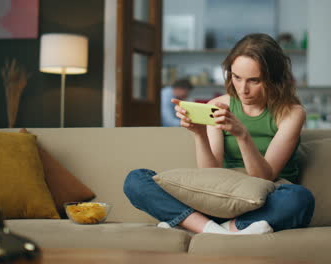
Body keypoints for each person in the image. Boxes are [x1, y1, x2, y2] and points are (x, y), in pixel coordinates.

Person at [124, 33, 315, 235]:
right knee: (136, 180)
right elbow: (210, 172)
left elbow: (264, 176)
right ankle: (218, 228)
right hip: (221, 197)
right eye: (236, 77)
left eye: (254, 81)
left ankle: (204, 226)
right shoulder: (218, 105)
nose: (243, 89)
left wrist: (242, 135)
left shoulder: (292, 113)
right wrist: (199, 133)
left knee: (299, 198)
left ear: (274, 78)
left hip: (265, 200)